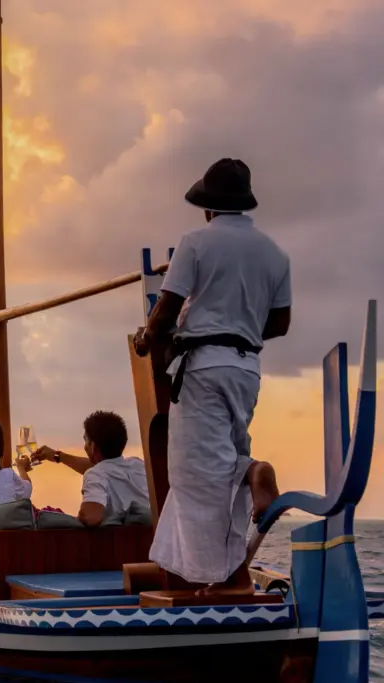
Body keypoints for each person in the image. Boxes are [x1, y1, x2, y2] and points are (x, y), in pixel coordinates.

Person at [133, 158, 288, 597]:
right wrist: (235, 323)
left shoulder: (196, 243)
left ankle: (229, 582)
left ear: (208, 206)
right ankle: (252, 472)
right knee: (222, 462)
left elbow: (164, 311)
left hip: (203, 367)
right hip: (246, 369)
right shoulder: (274, 253)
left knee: (197, 473)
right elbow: (279, 323)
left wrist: (147, 341)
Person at [31, 411, 150, 527]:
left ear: (92, 446)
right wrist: (58, 456)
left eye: (85, 440)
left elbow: (91, 517)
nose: (84, 446)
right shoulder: (138, 465)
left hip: (120, 543)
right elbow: (105, 466)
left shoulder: (96, 474)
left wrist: (80, 516)